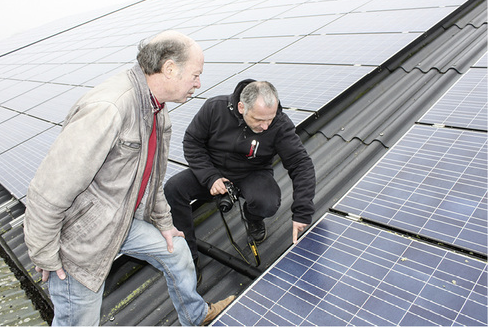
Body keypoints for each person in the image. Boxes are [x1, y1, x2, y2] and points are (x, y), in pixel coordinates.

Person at [23, 30, 234, 326]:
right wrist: (44, 254)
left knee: (178, 252)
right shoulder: (109, 108)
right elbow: (49, 190)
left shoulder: (157, 112)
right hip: (82, 241)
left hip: (121, 222)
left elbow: (152, 179)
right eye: (195, 75)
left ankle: (196, 316)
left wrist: (164, 224)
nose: (199, 84)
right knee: (80, 320)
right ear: (170, 69)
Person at [164, 80, 316, 281]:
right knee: (174, 189)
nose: (265, 126)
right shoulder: (214, 108)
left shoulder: (279, 123)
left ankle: (253, 218)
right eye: (259, 119)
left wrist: (302, 212)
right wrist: (211, 177)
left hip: (252, 172)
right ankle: (189, 258)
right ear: (241, 107)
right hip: (213, 169)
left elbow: (300, 164)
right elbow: (192, 143)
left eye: (270, 119)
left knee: (267, 202)